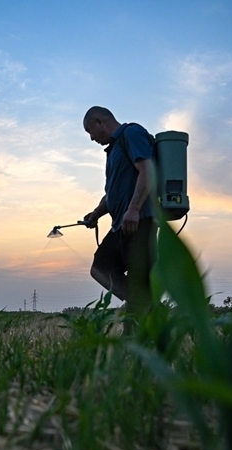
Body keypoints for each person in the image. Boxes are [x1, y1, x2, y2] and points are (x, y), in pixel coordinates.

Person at [81, 106, 155, 314]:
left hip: (140, 222)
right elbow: (112, 193)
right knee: (100, 268)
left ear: (99, 121)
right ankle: (143, 305)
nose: (91, 138)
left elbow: (148, 170)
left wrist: (134, 209)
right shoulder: (114, 150)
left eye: (90, 131)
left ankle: (144, 312)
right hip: (121, 225)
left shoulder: (131, 133)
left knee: (138, 279)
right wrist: (96, 214)